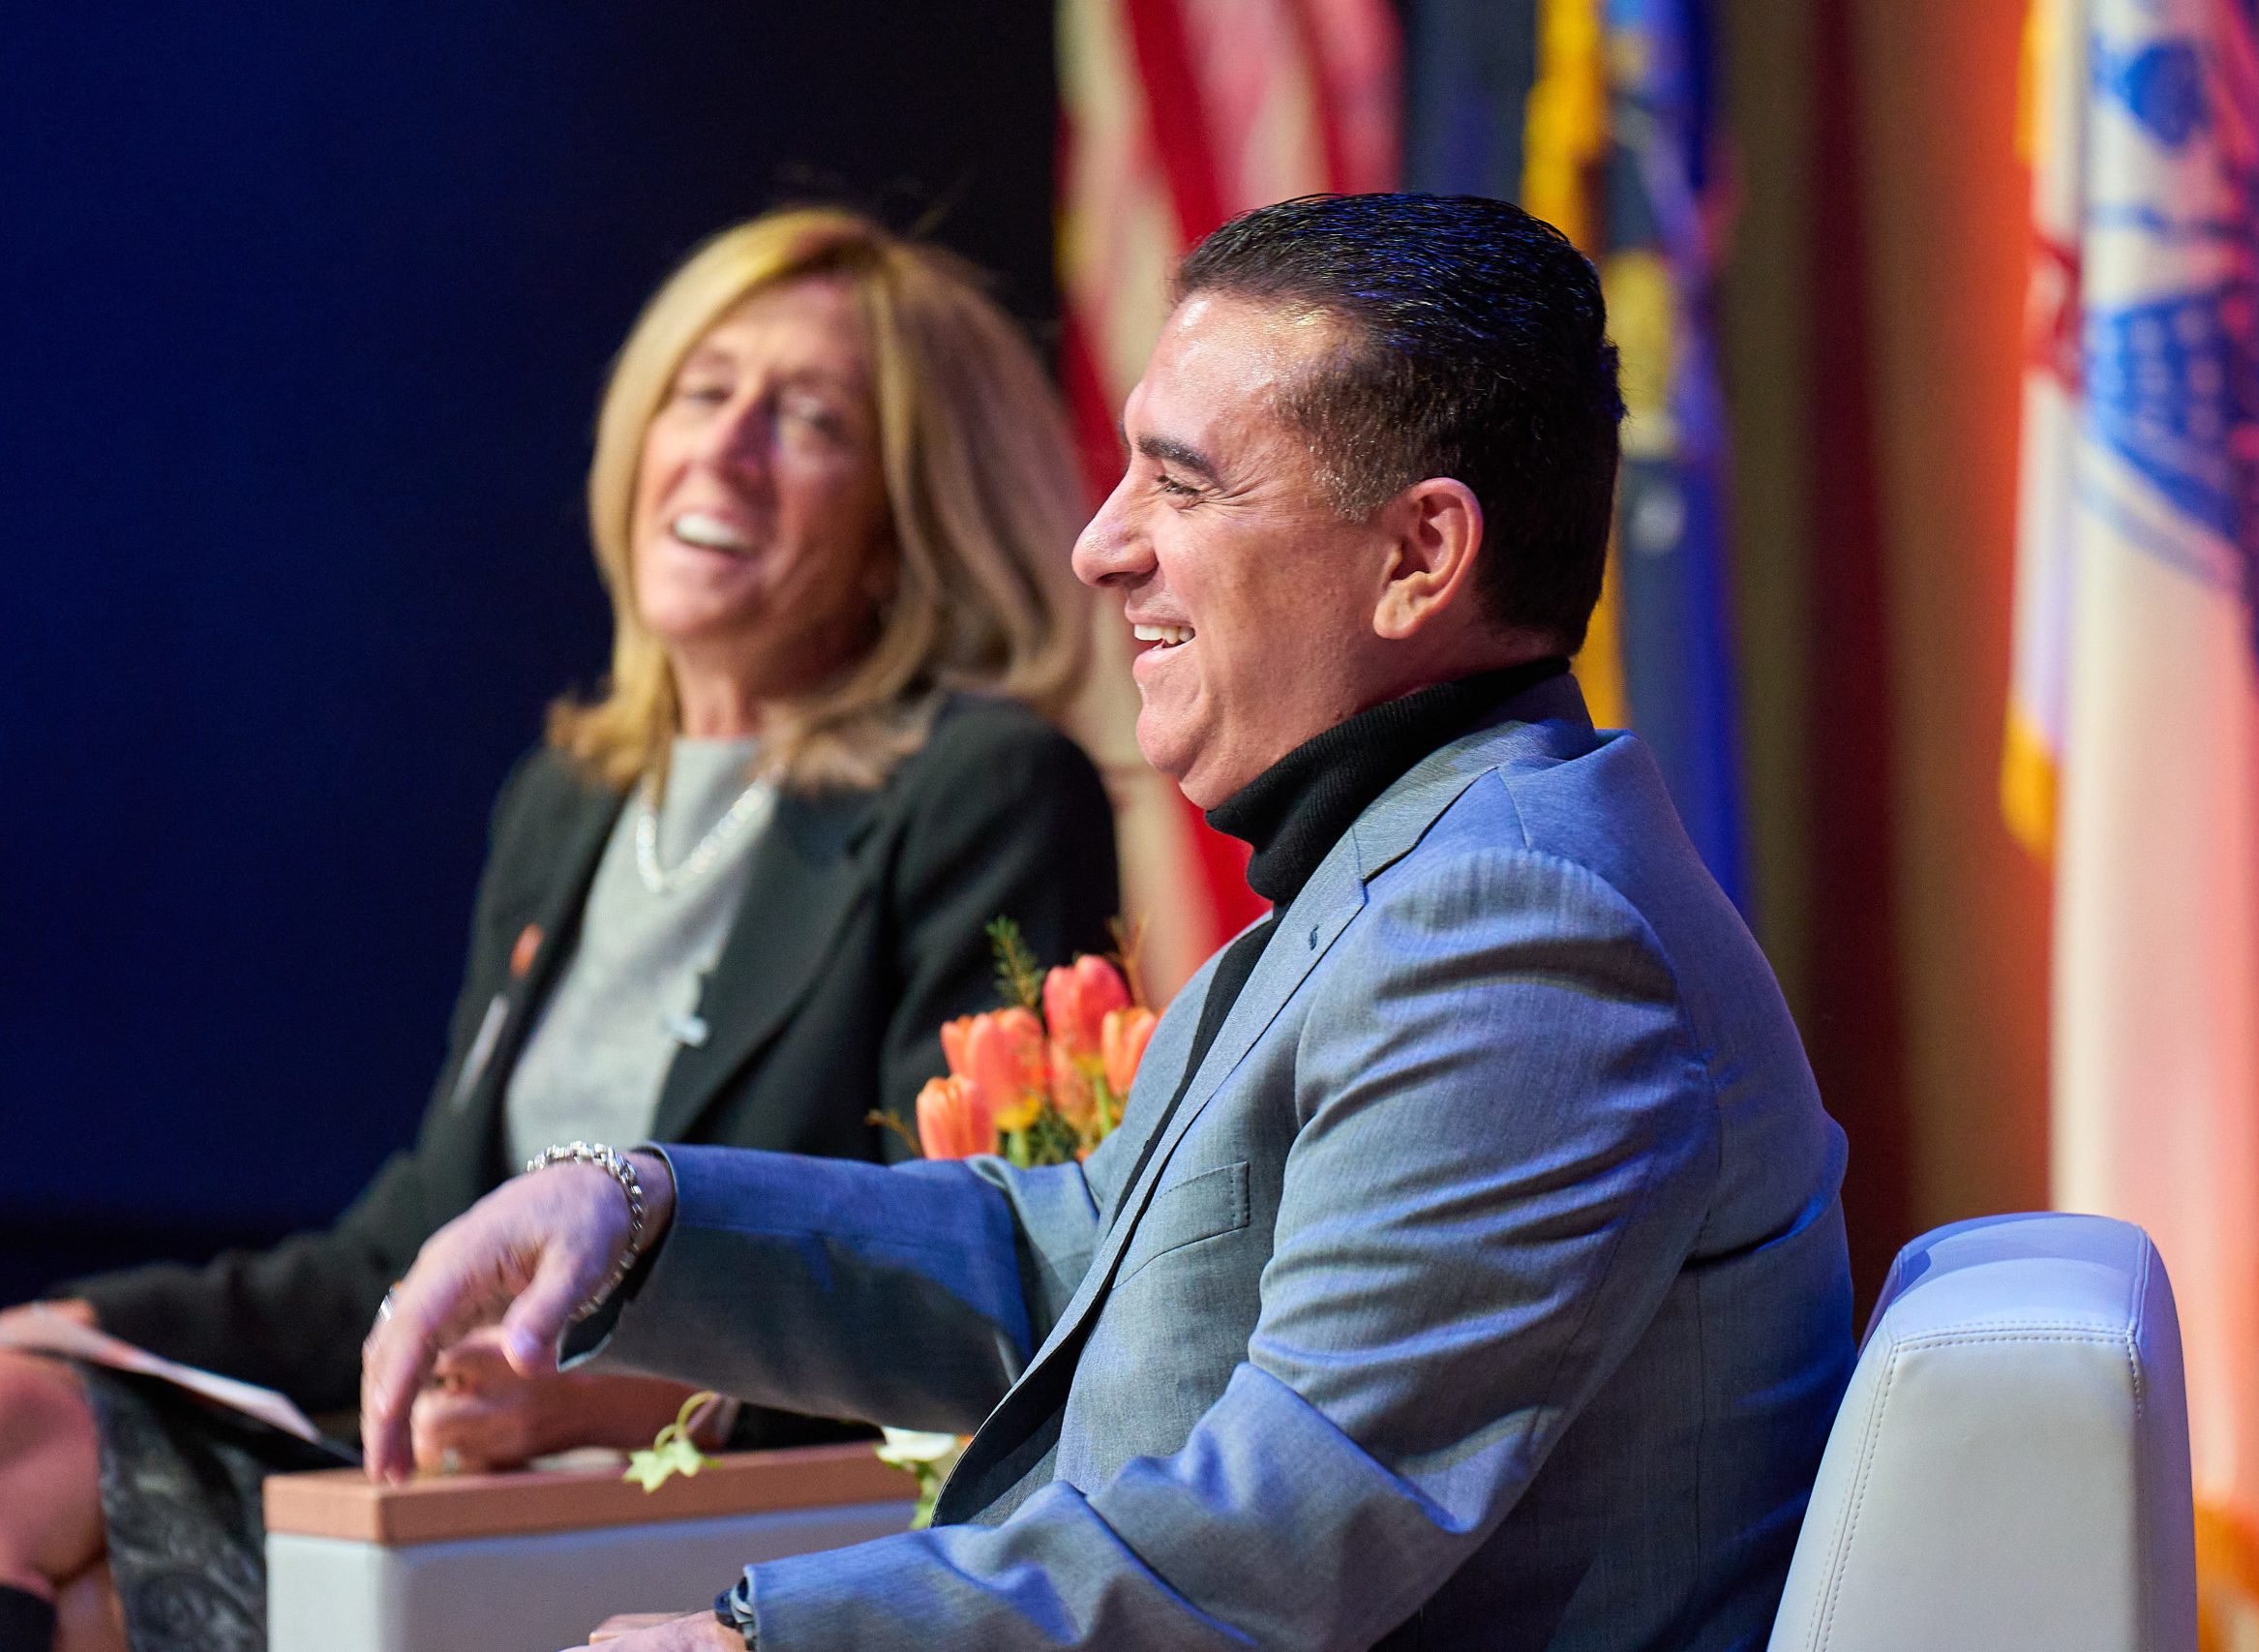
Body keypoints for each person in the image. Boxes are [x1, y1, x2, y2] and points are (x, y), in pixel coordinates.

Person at [362, 193, 1855, 1652]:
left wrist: (758, 1641)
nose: (1099, 546)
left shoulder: (1520, 930)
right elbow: (1065, 1265)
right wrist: (636, 1211)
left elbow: (1287, 1532)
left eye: (1181, 485)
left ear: (1420, 558)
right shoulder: (1411, 867)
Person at [0, 206, 1123, 1652]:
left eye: (810, 421)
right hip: (466, 1472)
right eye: (703, 394)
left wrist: (623, 1393)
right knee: (35, 1424)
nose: (723, 450)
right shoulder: (571, 803)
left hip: (721, 1514)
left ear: (905, 521)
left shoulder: (977, 788)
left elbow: (975, 1273)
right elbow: (401, 1250)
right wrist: (87, 1319)